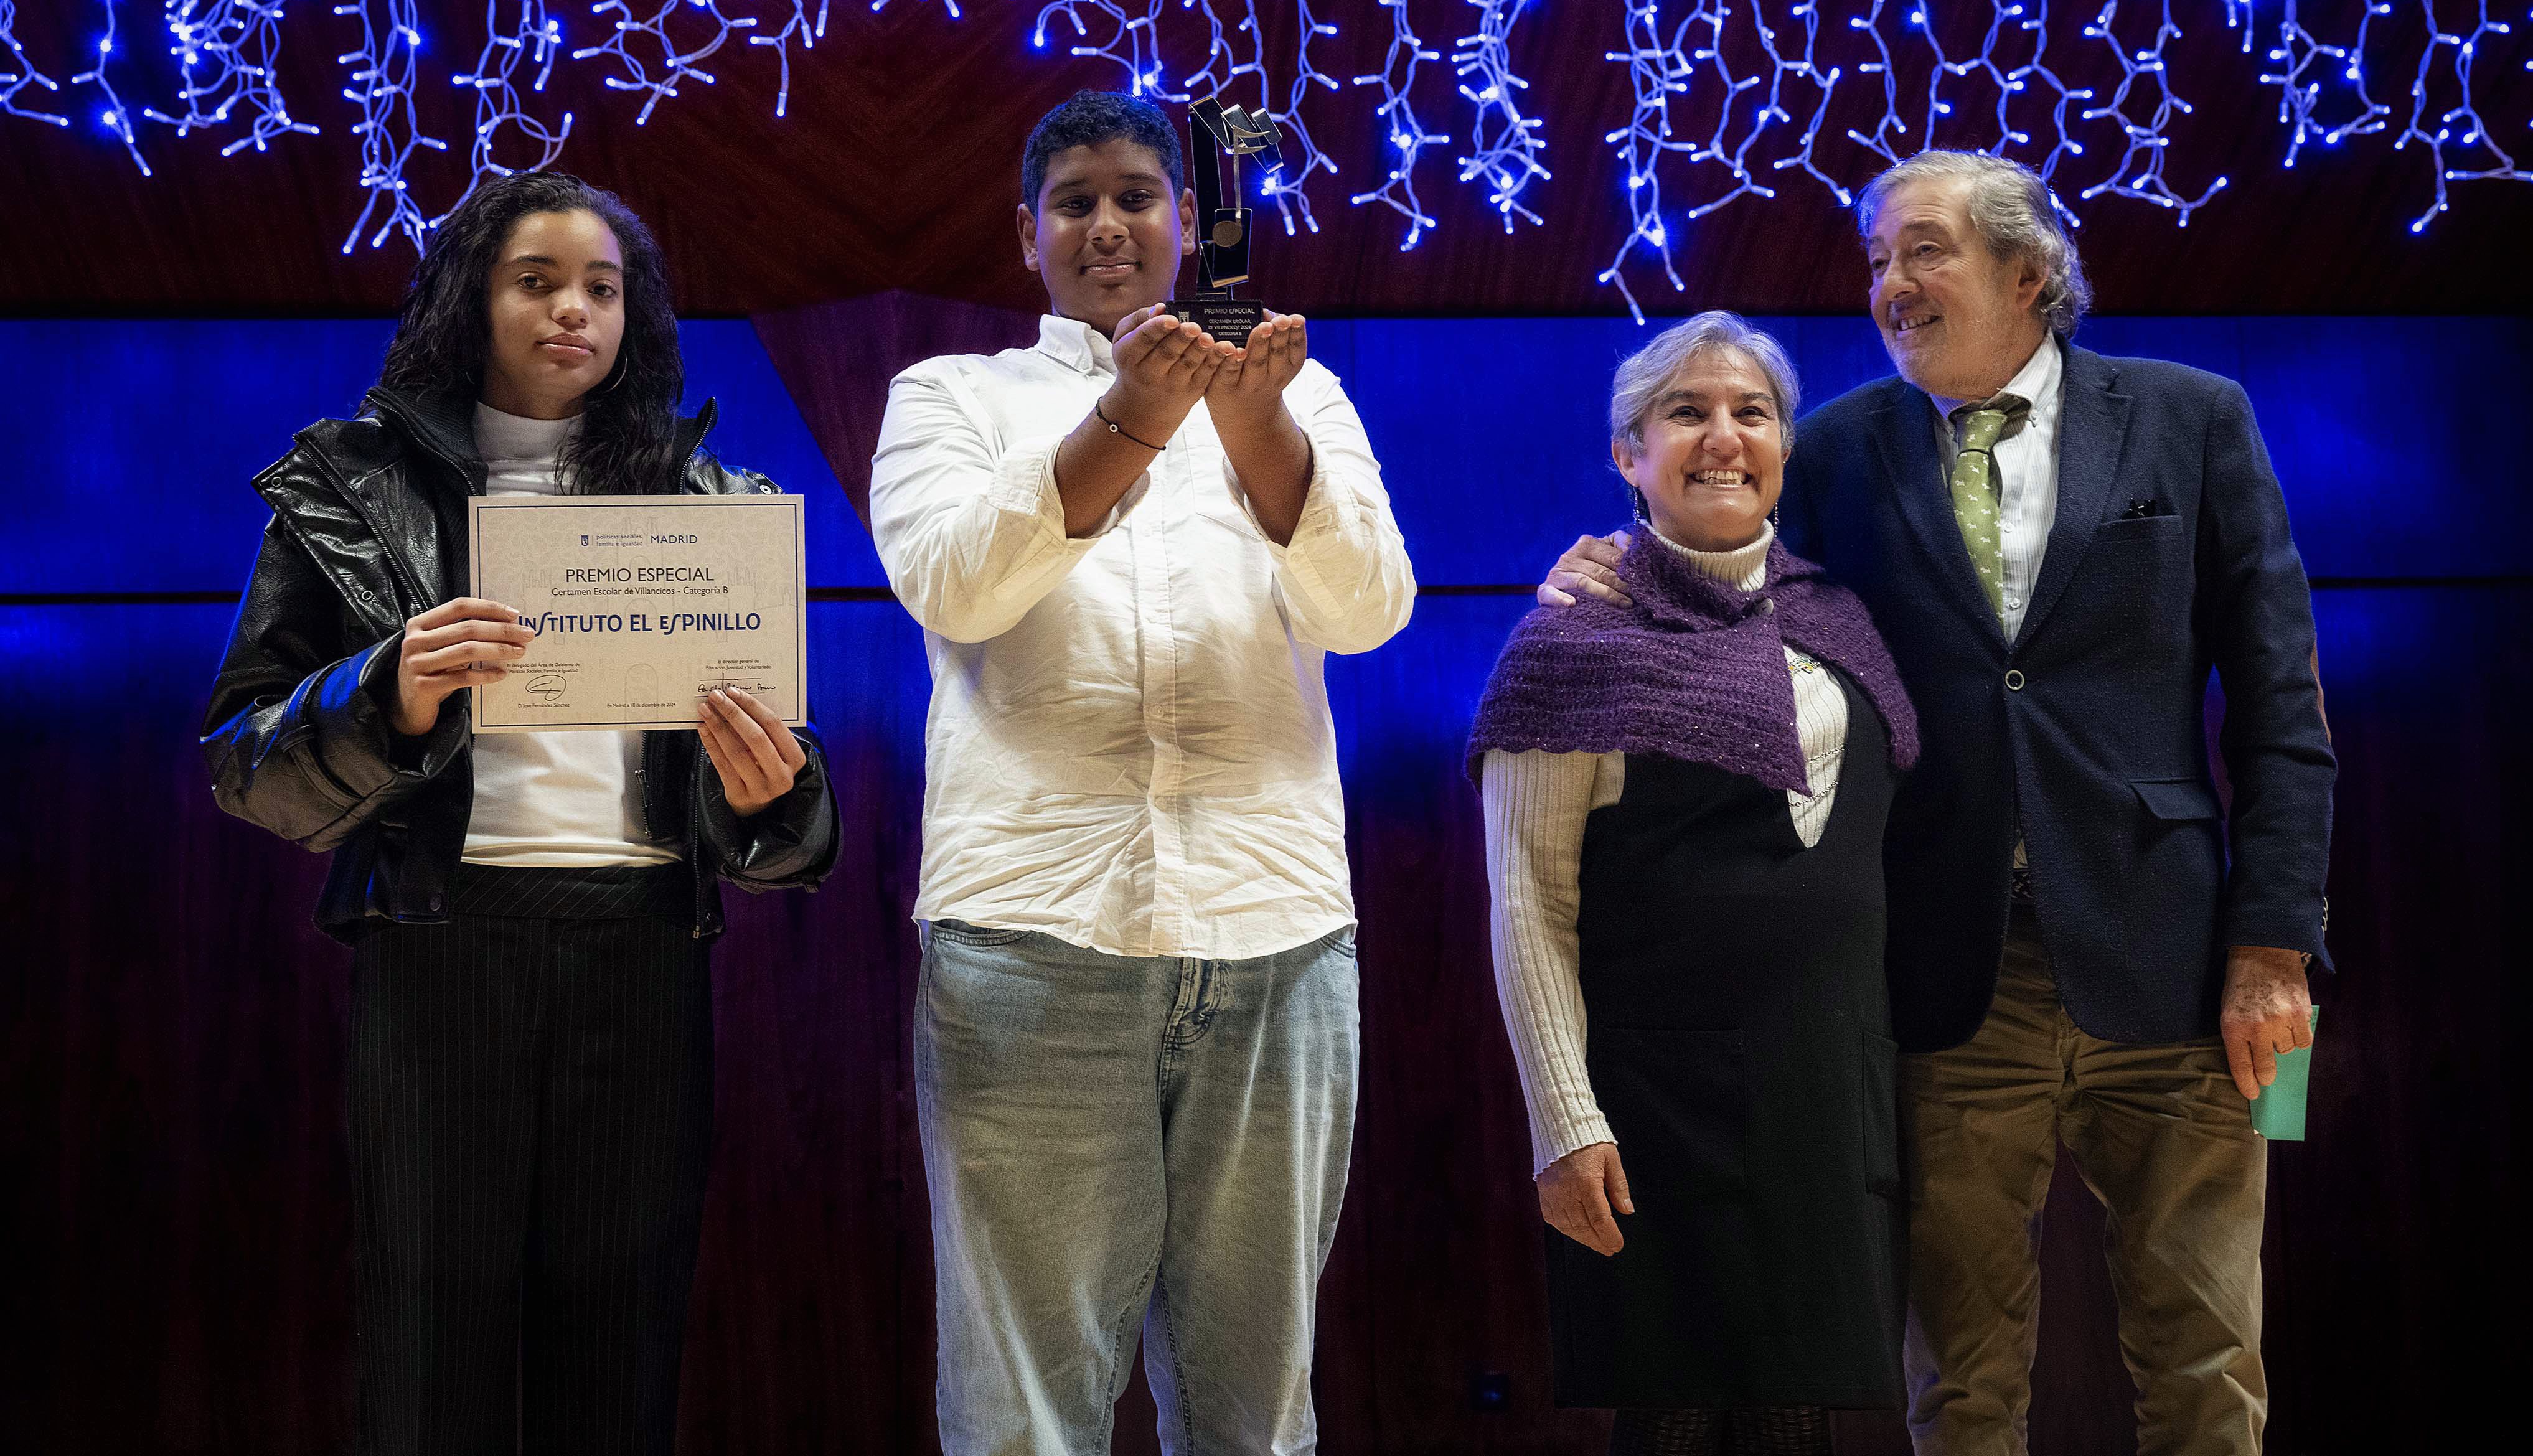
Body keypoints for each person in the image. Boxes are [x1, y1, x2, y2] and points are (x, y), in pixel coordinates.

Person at [1541, 151, 2333, 1456]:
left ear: (2028, 271)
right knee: (1960, 1384)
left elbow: (2280, 704)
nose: (1890, 285)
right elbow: (1726, 568)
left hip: (2182, 968)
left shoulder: (2194, 417)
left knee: (2207, 1362)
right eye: (1875, 261)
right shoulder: (1836, 449)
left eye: (1922, 251)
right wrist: (1610, 565)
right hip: (1939, 973)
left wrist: (2274, 943)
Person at [201, 170, 840, 1456]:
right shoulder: (351, 484)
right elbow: (241, 761)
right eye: (536, 281)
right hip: (440, 937)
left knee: (620, 1345)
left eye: (602, 288)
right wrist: (386, 693)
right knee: (427, 1341)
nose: (572, 311)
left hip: (643, 942)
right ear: (469, 300)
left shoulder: (715, 503)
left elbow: (783, 817)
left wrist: (776, 794)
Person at [868, 90, 1416, 1455]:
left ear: (1187, 220)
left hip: (1277, 928)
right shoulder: (950, 395)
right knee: (1022, 1414)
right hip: (1029, 938)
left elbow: (1369, 611)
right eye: (1076, 202)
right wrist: (1134, 414)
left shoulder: (1300, 395)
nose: (1107, 225)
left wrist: (1252, 423)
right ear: (1027, 233)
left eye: (1134, 197)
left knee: (1255, 1411)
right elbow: (958, 587)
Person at [1474, 314, 1920, 1456]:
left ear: (1784, 446)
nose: (1723, 437)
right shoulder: (1567, 644)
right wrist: (1563, 1123)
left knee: (1798, 1415)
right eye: (1686, 412)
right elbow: (1529, 906)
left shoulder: (1843, 620)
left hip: (1825, 1087)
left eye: (1750, 412)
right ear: (1628, 453)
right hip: (1650, 1102)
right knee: (1670, 1414)